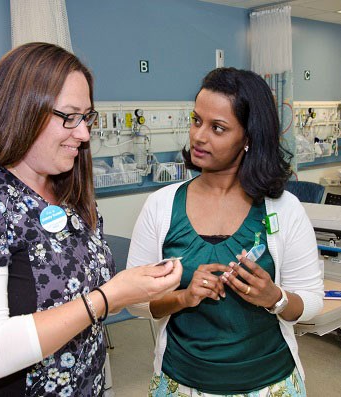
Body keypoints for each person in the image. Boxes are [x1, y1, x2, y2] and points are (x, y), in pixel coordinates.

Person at [0, 42, 182, 397]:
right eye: (69, 117)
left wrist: (130, 289)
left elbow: (79, 295)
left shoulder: (67, 190)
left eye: (87, 117)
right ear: (20, 112)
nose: (84, 134)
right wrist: (107, 296)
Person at [127, 67, 323, 396]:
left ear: (248, 138)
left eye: (218, 128)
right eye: (196, 120)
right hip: (181, 382)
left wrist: (274, 298)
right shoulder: (161, 206)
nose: (199, 136)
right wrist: (183, 298)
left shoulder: (284, 209)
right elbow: (135, 302)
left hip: (269, 383)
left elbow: (313, 302)